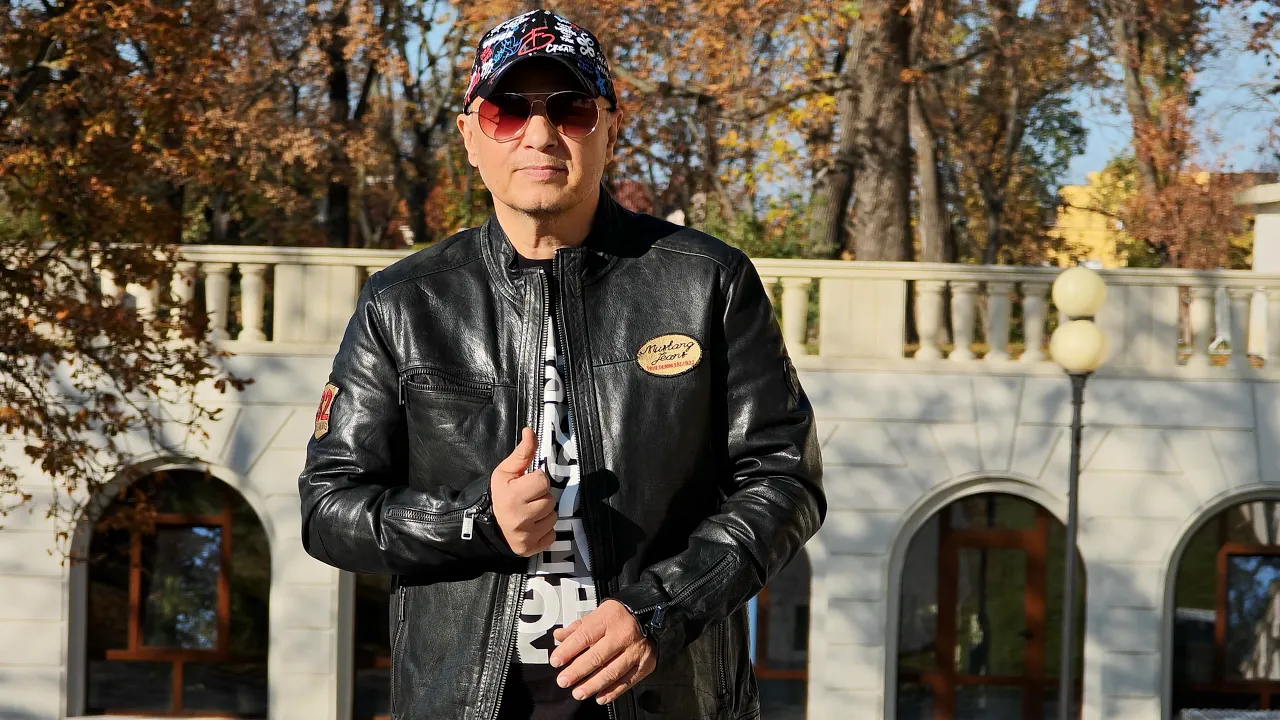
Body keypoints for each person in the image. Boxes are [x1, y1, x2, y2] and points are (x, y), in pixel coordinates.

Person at [297, 9, 825, 719]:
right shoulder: (404, 302)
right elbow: (329, 507)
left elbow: (784, 479)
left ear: (610, 129)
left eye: (571, 110)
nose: (540, 134)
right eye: (508, 111)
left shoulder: (707, 283)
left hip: (664, 694)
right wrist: (475, 521)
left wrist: (659, 611)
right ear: (470, 136)